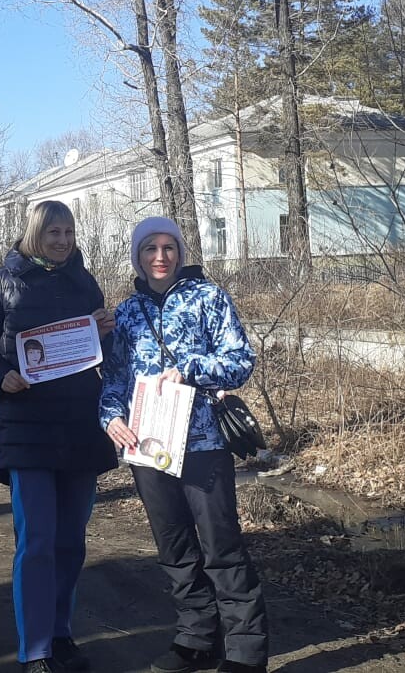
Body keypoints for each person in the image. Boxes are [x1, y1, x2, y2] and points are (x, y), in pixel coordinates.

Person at [99, 217, 269, 673]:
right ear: (137, 255)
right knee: (174, 547)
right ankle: (196, 638)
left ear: (180, 251)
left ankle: (245, 652)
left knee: (221, 547)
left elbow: (239, 361)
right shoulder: (127, 313)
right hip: (148, 446)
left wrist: (190, 369)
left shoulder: (208, 298)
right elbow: (114, 378)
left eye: (168, 246)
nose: (160, 256)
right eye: (150, 248)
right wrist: (110, 417)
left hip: (202, 444)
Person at [0, 200, 118, 673]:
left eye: (69, 232)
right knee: (36, 543)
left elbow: (97, 354)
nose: (62, 241)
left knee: (71, 542)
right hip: (27, 430)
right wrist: (0, 375)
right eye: (53, 231)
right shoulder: (3, 281)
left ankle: (61, 634)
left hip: (78, 427)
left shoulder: (84, 281)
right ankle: (35, 651)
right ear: (34, 233)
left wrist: (105, 333)